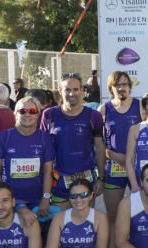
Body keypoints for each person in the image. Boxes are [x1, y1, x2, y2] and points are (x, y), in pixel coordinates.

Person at [40, 73, 105, 205]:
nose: (71, 93)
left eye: (75, 89)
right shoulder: (49, 114)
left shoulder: (94, 116)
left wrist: (101, 178)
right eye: (67, 89)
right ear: (60, 91)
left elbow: (99, 148)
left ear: (81, 90)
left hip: (85, 182)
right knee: (60, 224)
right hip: (58, 183)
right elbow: (42, 150)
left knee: (85, 223)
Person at [0, 96, 55, 215]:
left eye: (32, 111)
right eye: (23, 111)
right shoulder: (3, 137)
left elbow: (48, 171)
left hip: (37, 200)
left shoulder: (44, 138)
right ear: (15, 114)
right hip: (10, 201)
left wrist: (46, 198)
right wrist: (4, 200)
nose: (27, 114)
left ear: (38, 115)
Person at [98, 71, 143, 225]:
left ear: (130, 87)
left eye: (124, 84)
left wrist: (132, 158)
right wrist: (111, 155)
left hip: (137, 166)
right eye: (117, 85)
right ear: (111, 88)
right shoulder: (104, 109)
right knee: (113, 216)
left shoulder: (140, 106)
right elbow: (98, 143)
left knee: (141, 212)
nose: (121, 88)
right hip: (114, 168)